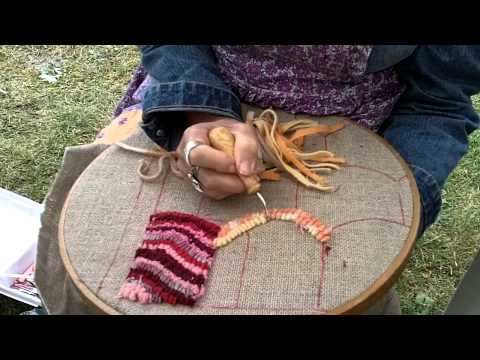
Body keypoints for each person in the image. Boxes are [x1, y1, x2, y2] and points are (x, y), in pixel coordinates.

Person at [137, 45, 480, 237]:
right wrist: (203, 117)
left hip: (359, 144)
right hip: (193, 101)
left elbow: (437, 100)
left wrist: (397, 195)